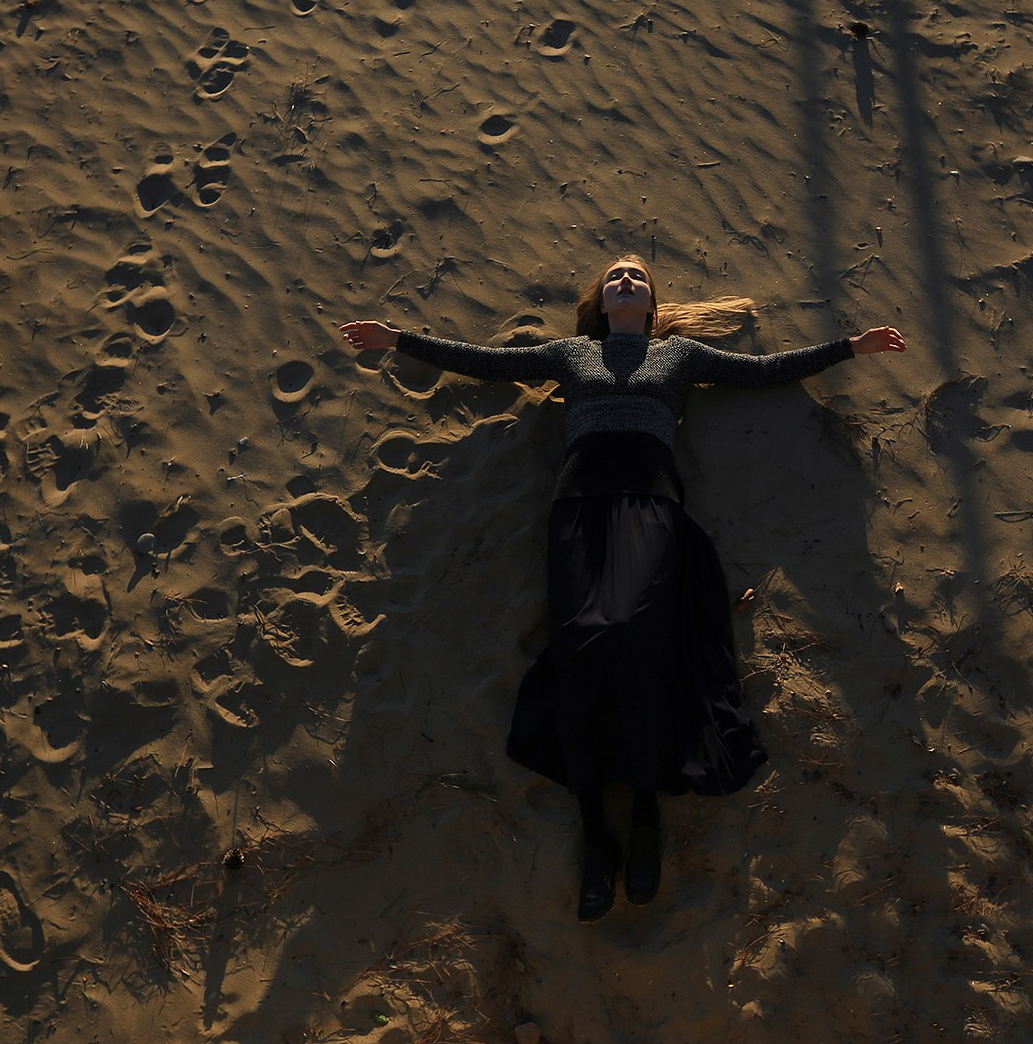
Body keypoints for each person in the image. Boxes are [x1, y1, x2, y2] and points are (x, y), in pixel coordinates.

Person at [339, 255, 905, 920]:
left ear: (652, 305)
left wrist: (851, 347)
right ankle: (594, 838)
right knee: (581, 647)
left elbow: (765, 370)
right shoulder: (570, 354)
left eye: (637, 276)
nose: (627, 280)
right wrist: (397, 339)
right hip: (579, 509)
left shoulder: (680, 357)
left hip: (651, 505)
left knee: (633, 638)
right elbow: (488, 363)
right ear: (603, 304)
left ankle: (642, 816)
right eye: (615, 277)